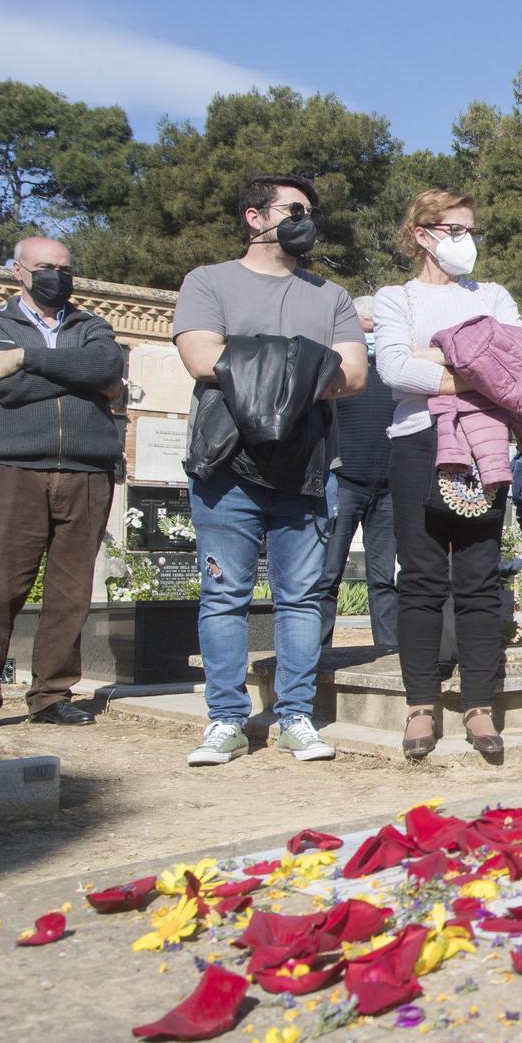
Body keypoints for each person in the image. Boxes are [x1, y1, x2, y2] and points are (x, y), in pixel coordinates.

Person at [174, 175, 367, 766]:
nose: (306, 219)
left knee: (303, 597)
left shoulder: (330, 296)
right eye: (294, 209)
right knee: (224, 593)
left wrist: (253, 357)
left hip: (308, 466)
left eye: (310, 211)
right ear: (254, 218)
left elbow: (354, 375)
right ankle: (226, 720)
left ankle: (296, 717)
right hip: (225, 464)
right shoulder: (208, 281)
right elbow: (200, 356)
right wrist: (305, 363)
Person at [371, 189, 522, 762]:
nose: (467, 241)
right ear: (422, 234)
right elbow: (391, 369)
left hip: (485, 446)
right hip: (416, 443)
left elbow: (521, 361)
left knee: (480, 576)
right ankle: (420, 706)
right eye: (454, 229)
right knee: (421, 575)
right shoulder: (395, 297)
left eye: (471, 230)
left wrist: (432, 356)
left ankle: (480, 704)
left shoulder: (494, 295)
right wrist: (475, 367)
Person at [0, 236, 125, 735]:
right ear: (19, 272)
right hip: (14, 471)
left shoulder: (92, 324)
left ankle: (51, 694)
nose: (58, 275)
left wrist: (24, 358)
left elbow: (107, 367)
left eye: (65, 268)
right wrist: (80, 376)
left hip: (87, 472)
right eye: (46, 266)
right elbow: (3, 386)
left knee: (70, 593)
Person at [318, 296, 398, 649]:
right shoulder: (336, 364)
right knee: (327, 575)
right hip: (343, 480)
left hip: (389, 487)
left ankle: (389, 651)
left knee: (385, 579)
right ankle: (316, 654)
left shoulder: (396, 367)